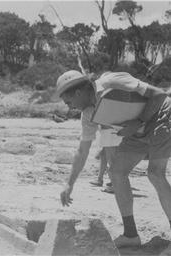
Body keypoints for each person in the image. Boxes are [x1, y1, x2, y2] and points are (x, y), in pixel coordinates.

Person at [57, 70, 171, 248]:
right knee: (116, 172)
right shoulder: (88, 115)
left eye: (69, 102)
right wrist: (69, 183)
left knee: (155, 174)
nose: (69, 107)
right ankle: (131, 235)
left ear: (78, 93)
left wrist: (139, 121)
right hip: (137, 131)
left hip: (162, 115)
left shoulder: (111, 81)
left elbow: (159, 94)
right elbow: (82, 150)